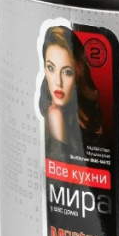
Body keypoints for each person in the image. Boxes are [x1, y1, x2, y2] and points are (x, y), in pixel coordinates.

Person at [39, 26, 103, 158]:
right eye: (51, 68)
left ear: (78, 74)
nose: (58, 82)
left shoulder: (81, 115)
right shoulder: (55, 114)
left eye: (67, 72)